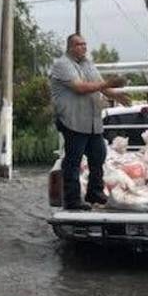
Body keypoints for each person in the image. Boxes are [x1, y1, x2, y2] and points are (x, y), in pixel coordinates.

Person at [49, 33, 131, 211]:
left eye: (85, 44)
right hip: (73, 120)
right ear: (70, 47)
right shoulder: (63, 64)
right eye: (79, 45)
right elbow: (80, 87)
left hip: (91, 121)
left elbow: (100, 84)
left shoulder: (87, 64)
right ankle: (72, 200)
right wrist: (108, 84)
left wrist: (116, 94)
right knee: (73, 161)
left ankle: (95, 192)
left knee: (98, 155)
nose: (83, 48)